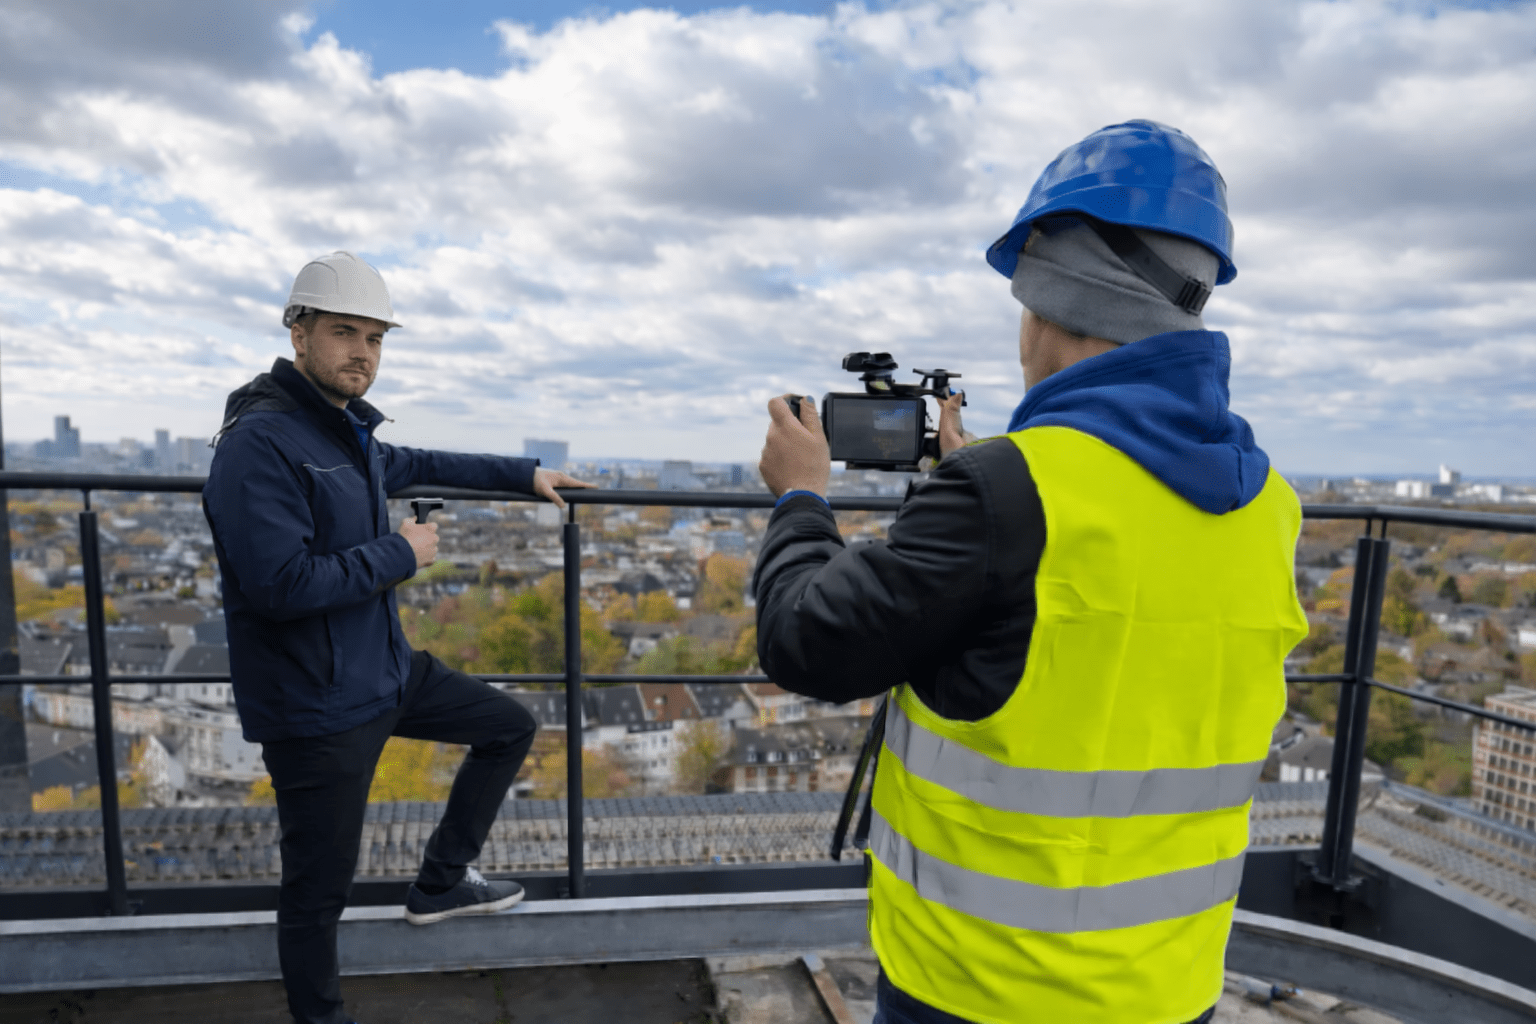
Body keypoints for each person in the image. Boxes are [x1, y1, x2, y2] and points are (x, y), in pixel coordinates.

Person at [753, 121, 1307, 1024]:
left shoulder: (1011, 491)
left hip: (982, 985)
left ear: (1054, 300)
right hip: (1168, 981)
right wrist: (985, 485)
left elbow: (804, 642)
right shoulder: (1268, 501)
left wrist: (801, 501)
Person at [203, 251, 591, 1024]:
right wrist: (400, 555)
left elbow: (416, 460)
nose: (363, 354)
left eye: (376, 339)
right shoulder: (261, 444)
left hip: (382, 672)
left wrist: (527, 475)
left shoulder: (341, 433)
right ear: (298, 331)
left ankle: (441, 881)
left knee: (509, 726)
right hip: (315, 703)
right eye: (345, 332)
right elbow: (279, 588)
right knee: (317, 891)